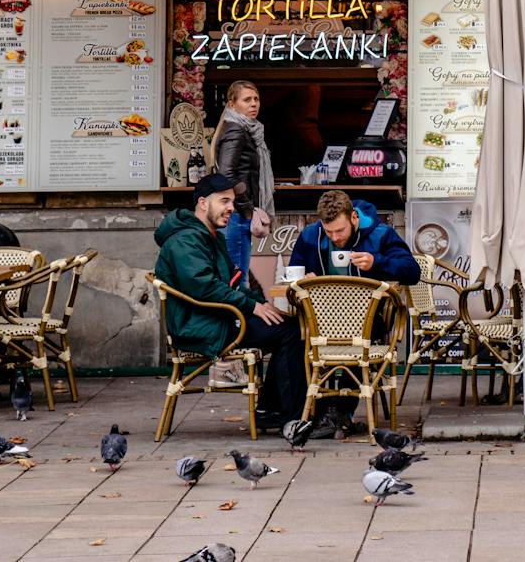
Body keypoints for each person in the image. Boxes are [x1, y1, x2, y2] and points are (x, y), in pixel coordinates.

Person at [154, 174, 305, 430]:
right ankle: (285, 415)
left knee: (287, 325)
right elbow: (204, 286)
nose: (231, 208)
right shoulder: (186, 239)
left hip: (215, 317)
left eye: (232, 201)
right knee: (290, 332)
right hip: (200, 325)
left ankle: (274, 409)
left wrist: (261, 304)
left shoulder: (209, 236)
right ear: (203, 203)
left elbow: (231, 283)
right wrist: (253, 307)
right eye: (224, 201)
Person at [288, 189, 420, 436]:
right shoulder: (310, 236)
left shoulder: (380, 234)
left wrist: (376, 262)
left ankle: (337, 414)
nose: (336, 238)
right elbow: (293, 274)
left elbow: (412, 271)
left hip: (369, 321)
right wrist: (306, 280)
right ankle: (292, 413)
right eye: (329, 232)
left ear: (354, 218)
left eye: (340, 231)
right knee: (290, 336)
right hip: (320, 320)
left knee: (359, 336)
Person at [213, 80, 275, 286]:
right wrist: (247, 208)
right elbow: (227, 174)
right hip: (236, 215)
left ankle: (236, 318)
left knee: (236, 277)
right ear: (232, 105)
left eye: (256, 99)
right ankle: (235, 319)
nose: (254, 104)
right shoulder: (236, 131)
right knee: (237, 279)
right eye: (247, 100)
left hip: (236, 214)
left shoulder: (246, 130)